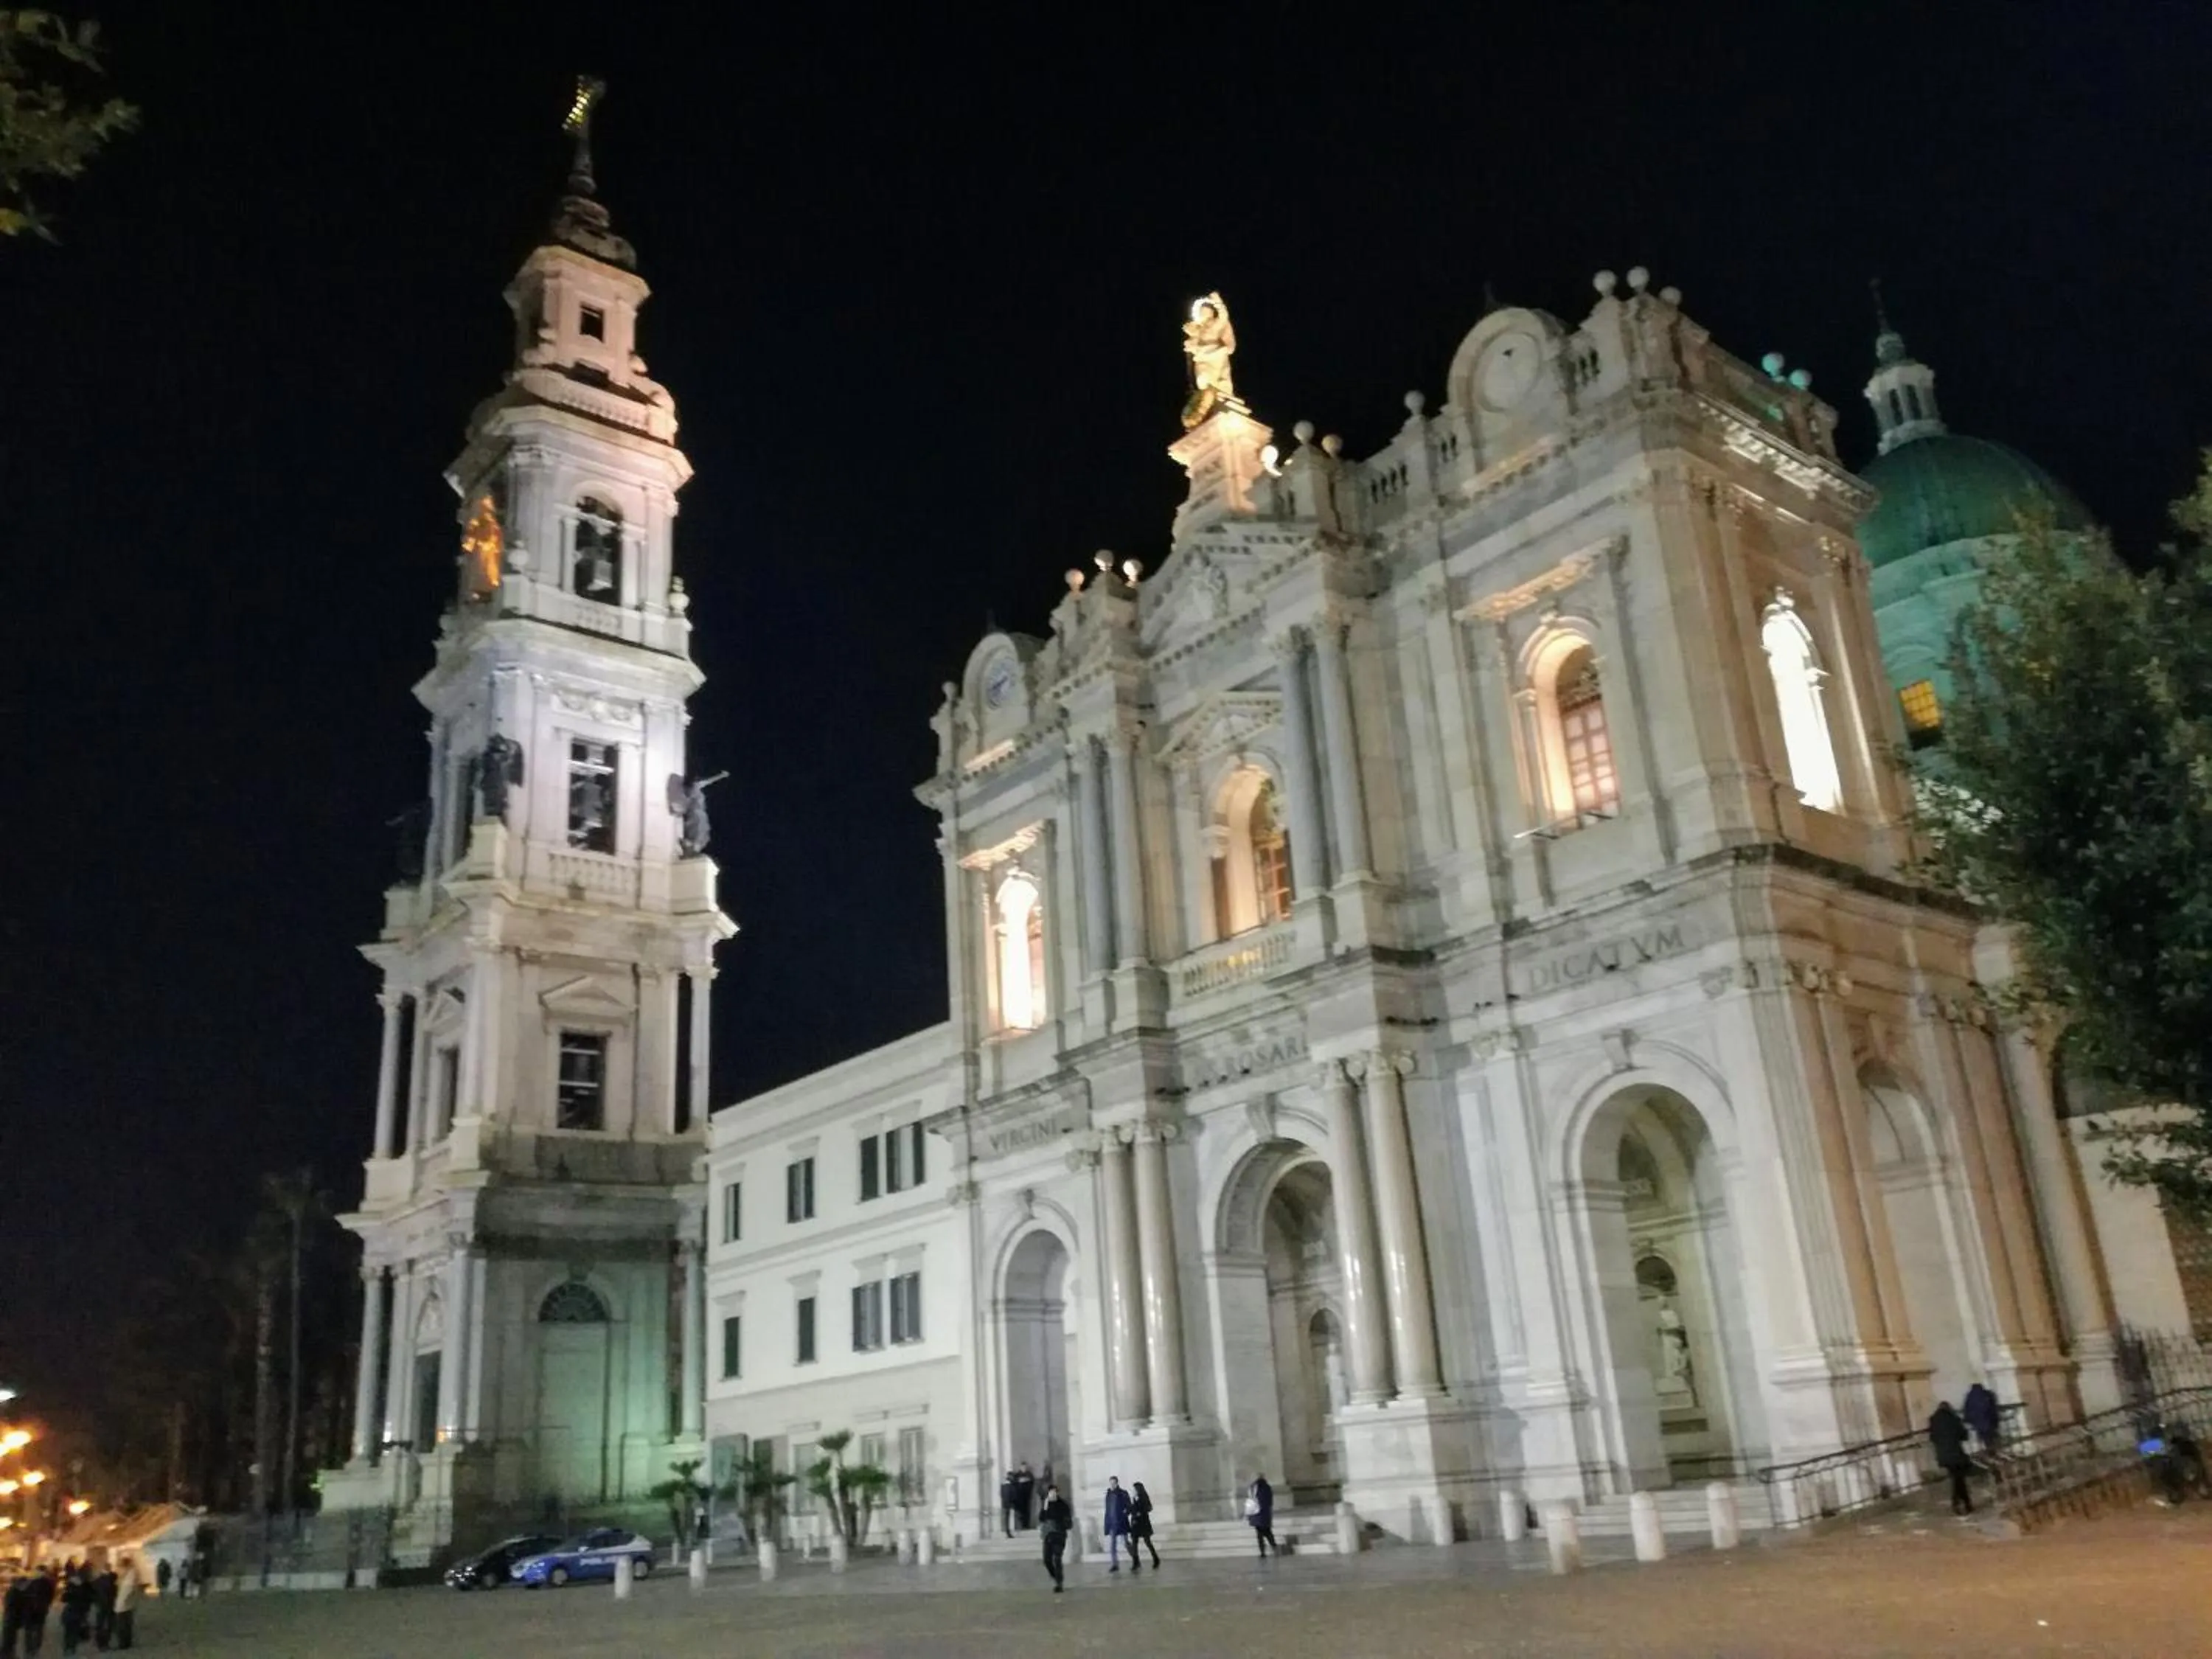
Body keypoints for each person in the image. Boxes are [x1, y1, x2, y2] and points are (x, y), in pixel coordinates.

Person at [1929, 1401, 1975, 1517]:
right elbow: (1964, 1436)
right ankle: (1959, 1503)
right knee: (1958, 1479)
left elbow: (1933, 1438)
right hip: (1956, 1454)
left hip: (1943, 1456)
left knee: (1957, 1479)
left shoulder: (1934, 1421)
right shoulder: (1954, 1419)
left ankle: (1965, 1503)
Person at [1037, 1484, 1072, 1594]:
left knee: (1057, 1559)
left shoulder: (1063, 1505)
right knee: (1047, 1560)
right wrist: (1045, 1508)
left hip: (1059, 1535)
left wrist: (1062, 1525)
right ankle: (1055, 1576)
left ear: (1057, 1493)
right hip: (1048, 1536)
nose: (1052, 1494)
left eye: (1054, 1492)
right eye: (1050, 1492)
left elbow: (1068, 1521)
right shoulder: (1046, 1505)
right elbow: (1041, 1519)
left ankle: (1059, 1583)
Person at [55, 1569, 90, 1658]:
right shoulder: (85, 1588)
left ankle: (68, 1648)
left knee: (68, 1632)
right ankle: (72, 1648)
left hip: (70, 1612)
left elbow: (63, 1599)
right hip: (79, 1613)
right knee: (74, 1631)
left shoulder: (70, 1588)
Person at [1102, 1477, 1133, 1573]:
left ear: (1117, 1483)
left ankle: (1135, 1558)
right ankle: (1115, 1564)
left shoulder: (1123, 1493)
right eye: (1111, 1483)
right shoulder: (1108, 1495)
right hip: (1112, 1523)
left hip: (1121, 1522)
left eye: (1114, 1483)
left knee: (1125, 1543)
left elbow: (1129, 1506)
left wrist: (1125, 1513)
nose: (1112, 1485)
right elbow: (1108, 1510)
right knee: (1113, 1545)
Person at [1961, 1381, 2002, 1453]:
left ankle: (1989, 1451)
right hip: (1989, 1421)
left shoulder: (1970, 1397)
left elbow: (1967, 1409)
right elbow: (1993, 1408)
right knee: (1991, 1437)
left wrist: (1968, 1420)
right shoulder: (1987, 1394)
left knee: (1984, 1438)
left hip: (1978, 1423)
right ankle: (1994, 1451)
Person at [1129, 1481, 1161, 1568]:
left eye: (1134, 1489)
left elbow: (1149, 1508)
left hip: (1143, 1523)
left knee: (1147, 1542)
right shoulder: (1134, 1498)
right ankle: (1136, 1562)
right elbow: (1132, 1509)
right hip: (1135, 1523)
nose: (1133, 1491)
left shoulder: (1144, 1497)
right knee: (1134, 1543)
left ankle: (1156, 1559)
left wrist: (1140, 1512)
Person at [21, 1568, 53, 1655]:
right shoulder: (48, 1582)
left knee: (32, 1629)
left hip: (33, 1609)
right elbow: (50, 1596)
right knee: (37, 1628)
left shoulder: (32, 1582)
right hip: (39, 1609)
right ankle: (34, 1647)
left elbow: (25, 1595)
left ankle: (31, 1648)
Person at [108, 1564, 138, 1655]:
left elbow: (125, 1594)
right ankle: (127, 1643)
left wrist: (119, 1605)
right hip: (128, 1606)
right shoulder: (130, 1578)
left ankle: (123, 1644)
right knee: (127, 1626)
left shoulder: (128, 1581)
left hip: (122, 1608)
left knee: (122, 1627)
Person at [1246, 1472, 1277, 1557]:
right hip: (1265, 1513)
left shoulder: (1253, 1488)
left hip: (1256, 1514)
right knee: (1268, 1532)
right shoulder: (1267, 1487)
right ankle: (1274, 1546)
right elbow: (1270, 1501)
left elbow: (1250, 1501)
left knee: (1260, 1534)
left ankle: (1263, 1551)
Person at [88, 1564, 114, 1652]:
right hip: (109, 1605)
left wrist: (95, 1601)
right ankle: (105, 1643)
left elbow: (91, 1592)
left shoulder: (96, 1581)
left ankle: (99, 1642)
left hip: (100, 1604)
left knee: (100, 1624)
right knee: (108, 1625)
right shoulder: (111, 1579)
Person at [1000, 1469, 1020, 1538]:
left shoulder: (1003, 1485)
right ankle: (1009, 1532)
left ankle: (1008, 1532)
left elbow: (1002, 1495)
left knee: (1007, 1519)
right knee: (1009, 1519)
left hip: (1005, 1504)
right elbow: (1012, 1495)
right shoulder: (1010, 1485)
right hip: (1009, 1504)